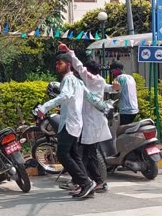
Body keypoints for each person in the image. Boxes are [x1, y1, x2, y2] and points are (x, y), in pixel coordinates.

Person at [37, 52, 96, 199]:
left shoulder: (68, 80)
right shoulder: (78, 81)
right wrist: (104, 107)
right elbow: (91, 97)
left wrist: (44, 107)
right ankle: (86, 183)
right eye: (56, 63)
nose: (57, 66)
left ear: (68, 65)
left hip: (69, 123)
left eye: (60, 63)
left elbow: (64, 96)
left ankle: (85, 183)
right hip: (75, 123)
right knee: (74, 155)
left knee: (63, 155)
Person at [59, 43, 111, 193]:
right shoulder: (100, 81)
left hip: (88, 123)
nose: (81, 72)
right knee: (86, 154)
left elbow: (80, 67)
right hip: (94, 122)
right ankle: (88, 181)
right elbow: (107, 89)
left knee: (84, 155)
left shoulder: (89, 80)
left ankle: (88, 181)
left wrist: (69, 52)